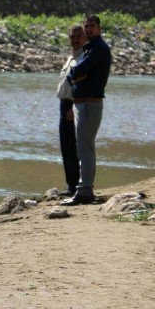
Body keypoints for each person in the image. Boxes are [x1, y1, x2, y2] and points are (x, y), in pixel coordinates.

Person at [62, 14, 112, 205]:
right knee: (84, 147)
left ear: (99, 29)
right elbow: (76, 74)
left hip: (90, 103)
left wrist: (77, 76)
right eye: (86, 26)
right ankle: (84, 188)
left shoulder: (98, 49)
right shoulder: (91, 48)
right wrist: (77, 77)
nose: (89, 29)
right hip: (83, 103)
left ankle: (85, 191)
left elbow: (77, 72)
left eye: (92, 26)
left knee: (85, 148)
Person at [56, 25, 87, 195]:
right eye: (72, 37)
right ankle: (71, 186)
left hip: (73, 105)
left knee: (74, 148)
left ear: (84, 38)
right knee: (66, 146)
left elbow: (81, 84)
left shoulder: (84, 58)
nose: (74, 40)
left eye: (78, 36)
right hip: (64, 104)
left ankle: (77, 186)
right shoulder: (71, 58)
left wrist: (74, 107)